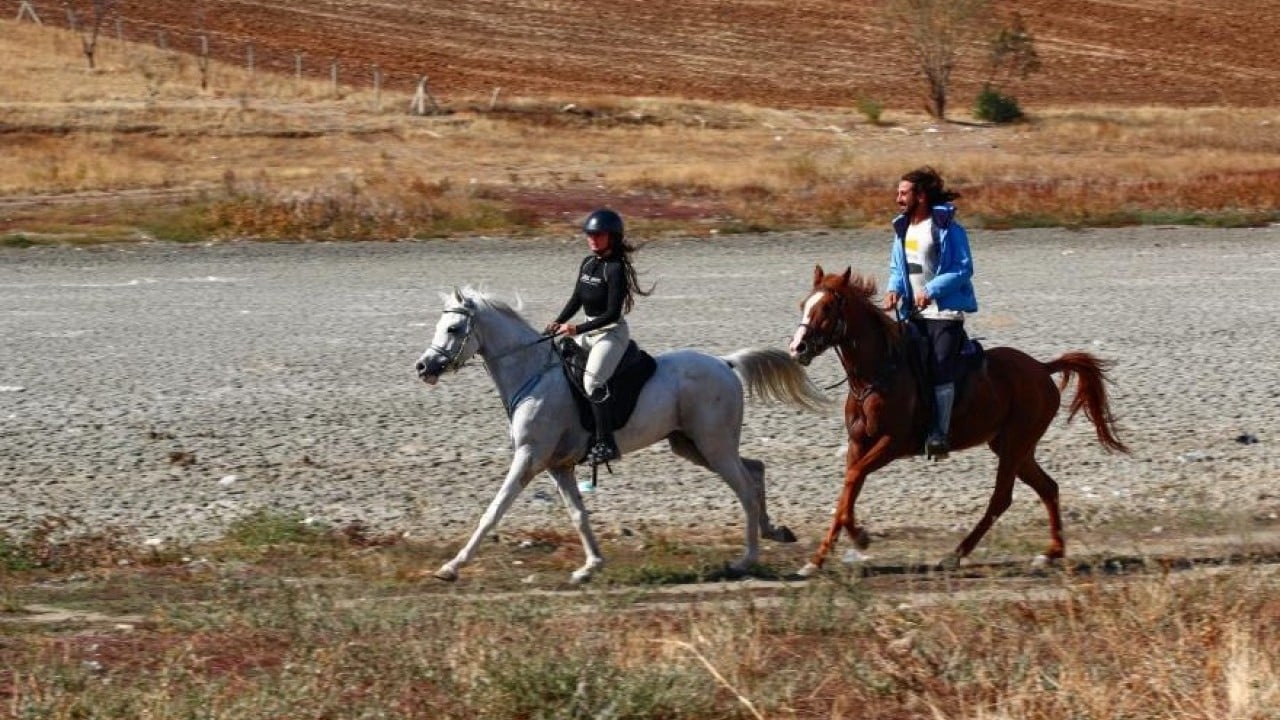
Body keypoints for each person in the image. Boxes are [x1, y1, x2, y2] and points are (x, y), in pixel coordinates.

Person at [882, 167, 978, 460]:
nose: (898, 198)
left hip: (945, 314)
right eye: (898, 193)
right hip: (914, 314)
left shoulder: (948, 228)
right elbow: (899, 268)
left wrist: (932, 289)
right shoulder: (903, 227)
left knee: (938, 367)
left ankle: (940, 433)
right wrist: (894, 289)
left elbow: (963, 269)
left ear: (920, 196)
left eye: (903, 193)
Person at [546, 208, 651, 465]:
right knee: (557, 361)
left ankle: (606, 443)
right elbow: (577, 298)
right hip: (588, 328)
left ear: (612, 237)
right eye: (589, 234)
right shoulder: (588, 263)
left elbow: (613, 314)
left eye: (598, 235)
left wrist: (576, 330)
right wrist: (559, 320)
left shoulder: (615, 269)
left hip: (610, 332)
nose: (592, 239)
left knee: (593, 383)